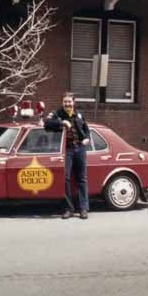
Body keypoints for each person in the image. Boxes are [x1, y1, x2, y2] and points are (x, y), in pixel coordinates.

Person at [44, 92, 91, 220]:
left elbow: (86, 130)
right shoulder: (57, 114)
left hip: (80, 148)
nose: (67, 104)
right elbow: (46, 124)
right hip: (67, 150)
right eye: (65, 101)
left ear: (73, 102)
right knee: (65, 179)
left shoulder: (79, 114)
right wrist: (62, 123)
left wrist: (87, 139)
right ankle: (68, 209)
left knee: (82, 179)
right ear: (62, 102)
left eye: (69, 101)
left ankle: (83, 209)